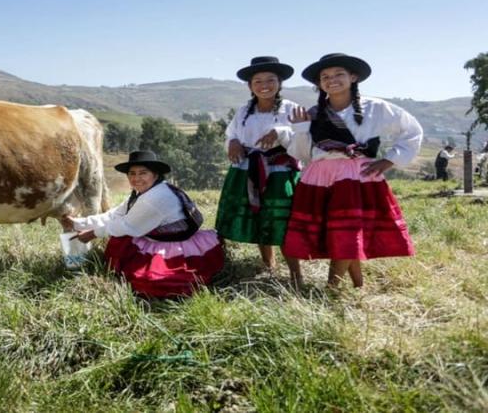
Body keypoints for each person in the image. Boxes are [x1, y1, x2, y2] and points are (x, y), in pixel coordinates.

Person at [284, 53, 423, 288]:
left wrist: (389, 160)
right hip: (320, 177)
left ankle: (332, 288)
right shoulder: (314, 113)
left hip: (356, 177)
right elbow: (303, 154)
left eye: (339, 74)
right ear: (319, 83)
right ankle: (358, 285)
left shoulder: (376, 108)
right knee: (337, 231)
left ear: (353, 77)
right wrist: (300, 130)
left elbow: (412, 130)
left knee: (347, 231)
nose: (332, 79)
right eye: (325, 76)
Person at [60, 150, 225, 298]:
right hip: (158, 237)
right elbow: (115, 214)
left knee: (149, 282)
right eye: (132, 174)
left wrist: (92, 233)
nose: (136, 178)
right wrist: (78, 223)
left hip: (176, 246)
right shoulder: (144, 192)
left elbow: (126, 225)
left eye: (143, 173)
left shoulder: (156, 197)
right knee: (119, 238)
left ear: (155, 175)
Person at [214, 56, 303, 287]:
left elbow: (303, 140)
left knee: (280, 220)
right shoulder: (244, 111)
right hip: (247, 170)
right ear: (250, 85)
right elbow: (231, 133)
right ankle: (268, 265)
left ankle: (296, 275)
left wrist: (280, 133)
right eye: (258, 80)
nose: (264, 85)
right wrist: (232, 142)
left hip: (279, 173)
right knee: (258, 216)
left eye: (270, 80)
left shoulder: (291, 109)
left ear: (280, 82)